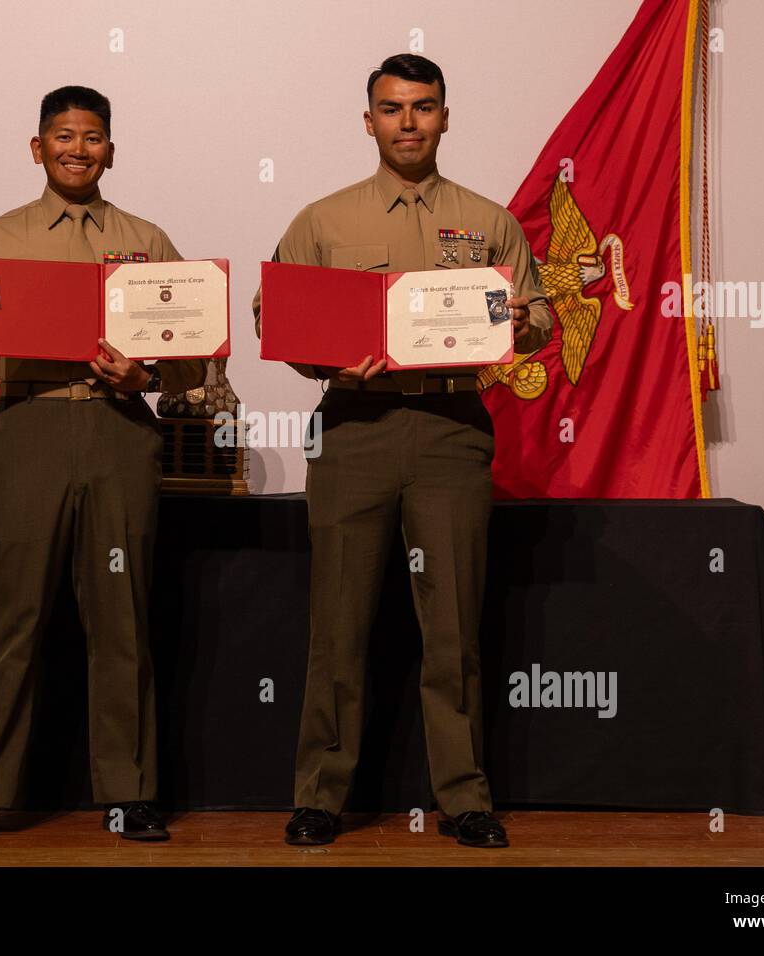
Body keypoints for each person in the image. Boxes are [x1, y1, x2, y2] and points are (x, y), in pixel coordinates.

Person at [253, 55, 553, 848]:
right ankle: (320, 795)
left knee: (452, 627)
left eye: (423, 107)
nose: (408, 122)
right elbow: (274, 314)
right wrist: (323, 363)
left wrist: (522, 323)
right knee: (338, 625)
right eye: (392, 109)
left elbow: (540, 315)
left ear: (446, 116)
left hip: (453, 428)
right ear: (368, 121)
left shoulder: (489, 221)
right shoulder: (324, 220)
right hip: (355, 428)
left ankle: (464, 797)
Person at [0, 86, 206, 843]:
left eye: (94, 136)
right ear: (37, 149)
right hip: (30, 426)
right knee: (12, 617)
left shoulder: (145, 238)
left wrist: (147, 379)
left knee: (122, 617)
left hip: (117, 433)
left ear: (112, 148)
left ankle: (132, 792)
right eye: (64, 136)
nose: (79, 148)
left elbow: (190, 360)